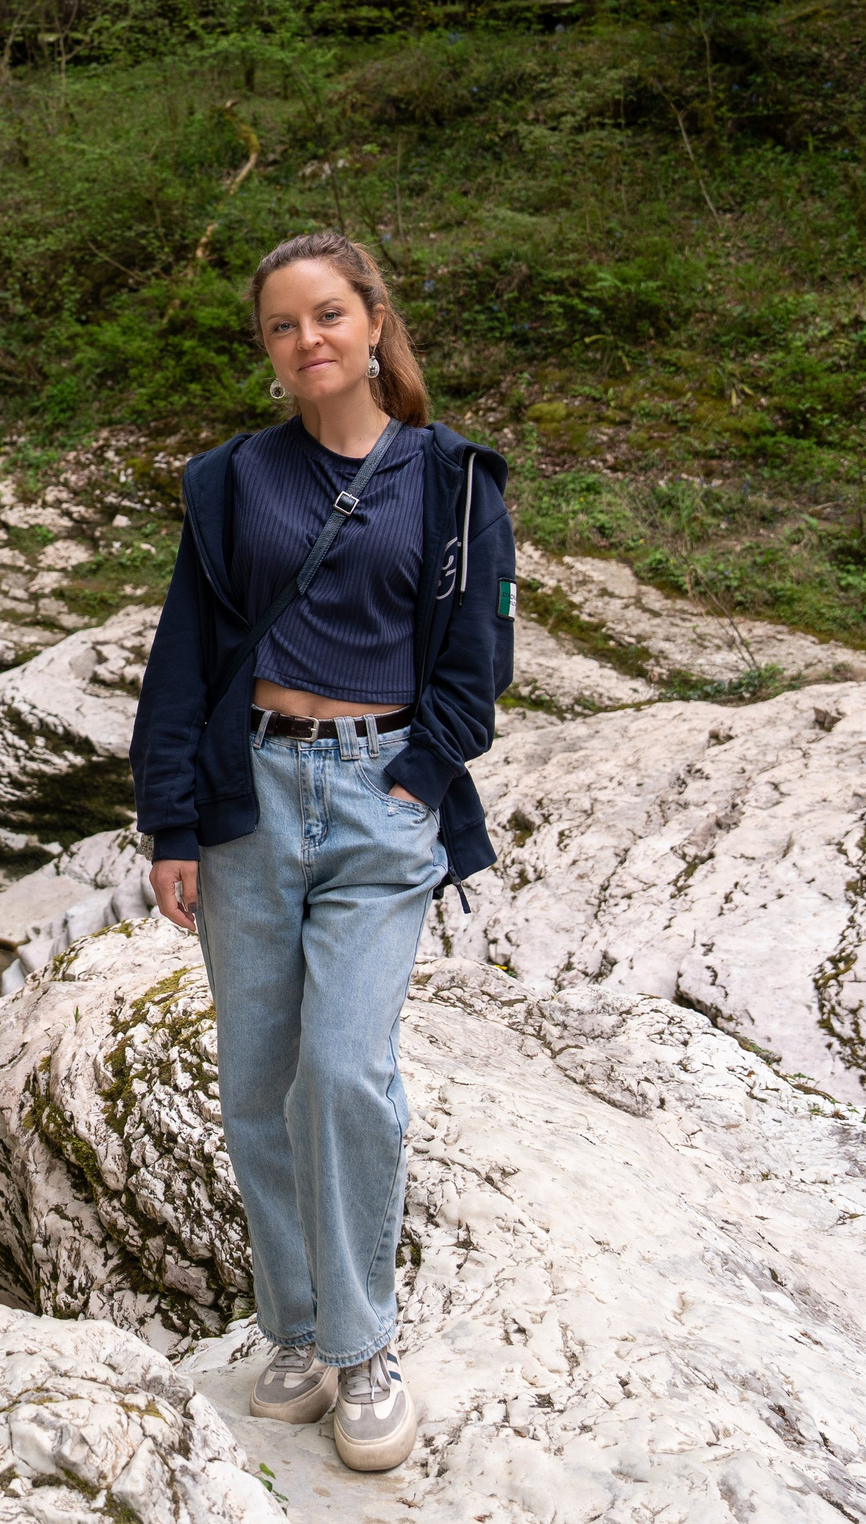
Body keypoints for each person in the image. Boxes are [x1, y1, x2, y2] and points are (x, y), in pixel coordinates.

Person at [129, 232, 514, 1473]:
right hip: (248, 794)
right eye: (284, 326)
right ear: (270, 352)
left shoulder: (452, 481)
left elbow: (477, 668)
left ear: (372, 321)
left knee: (345, 1070)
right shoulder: (233, 479)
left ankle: (362, 1345)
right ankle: (289, 1327)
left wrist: (412, 781)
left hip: (378, 801)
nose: (309, 340)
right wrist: (170, 819)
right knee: (257, 1083)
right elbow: (182, 654)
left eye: (328, 314)